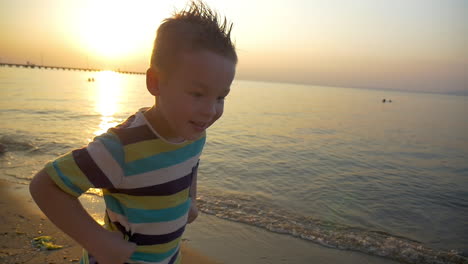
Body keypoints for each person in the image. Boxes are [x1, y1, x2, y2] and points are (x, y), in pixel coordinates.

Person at [29, 1, 237, 263]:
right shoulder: (121, 148)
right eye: (197, 93)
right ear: (156, 82)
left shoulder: (194, 134)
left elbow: (191, 165)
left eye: (220, 97)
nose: (210, 111)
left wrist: (190, 200)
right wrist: (99, 242)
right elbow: (45, 186)